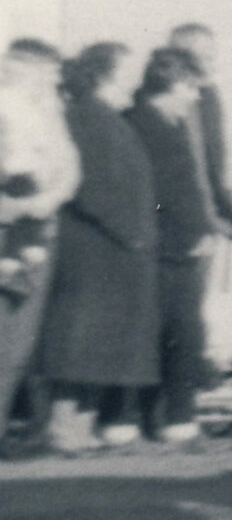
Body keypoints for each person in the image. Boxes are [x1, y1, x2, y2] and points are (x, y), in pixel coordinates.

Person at [36, 44, 160, 453]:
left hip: (117, 250)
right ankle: (62, 427)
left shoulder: (109, 117)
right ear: (105, 73)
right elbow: (90, 185)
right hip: (96, 249)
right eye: (129, 69)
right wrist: (131, 231)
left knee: (101, 348)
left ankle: (80, 426)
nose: (136, 79)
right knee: (80, 346)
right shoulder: (88, 117)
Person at [124, 47, 223, 444]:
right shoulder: (143, 124)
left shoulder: (168, 122)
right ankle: (169, 418)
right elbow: (159, 193)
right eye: (191, 88)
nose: (196, 97)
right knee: (176, 331)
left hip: (178, 245)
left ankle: (165, 416)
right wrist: (193, 232)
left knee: (178, 331)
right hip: (166, 246)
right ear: (171, 84)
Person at [0, 39, 79, 445]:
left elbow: (70, 169)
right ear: (22, 68)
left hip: (38, 231)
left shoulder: (51, 114)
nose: (54, 80)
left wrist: (47, 199)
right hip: (6, 228)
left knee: (17, 343)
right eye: (47, 72)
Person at [164, 23, 232, 242]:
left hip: (204, 218)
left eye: (211, 57)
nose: (211, 65)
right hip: (179, 223)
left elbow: (214, 167)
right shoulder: (167, 102)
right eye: (203, 57)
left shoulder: (208, 96)